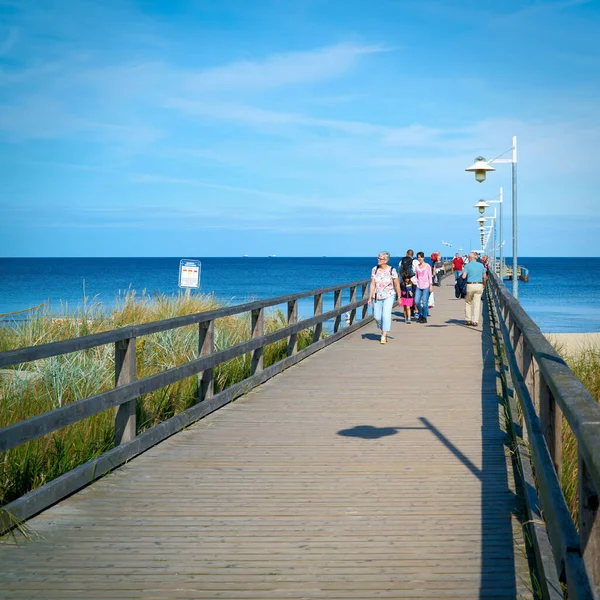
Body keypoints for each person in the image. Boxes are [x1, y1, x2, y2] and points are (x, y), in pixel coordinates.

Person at [368, 251, 401, 343]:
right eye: (378, 258)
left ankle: (384, 335)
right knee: (377, 317)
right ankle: (382, 328)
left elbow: (397, 284)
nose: (378, 260)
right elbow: (372, 284)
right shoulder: (375, 269)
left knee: (386, 315)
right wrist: (370, 297)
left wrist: (399, 297)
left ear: (386, 260)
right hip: (377, 295)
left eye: (380, 258)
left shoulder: (392, 270)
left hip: (389, 295)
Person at [461, 251, 487, 327]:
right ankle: (475, 321)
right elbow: (484, 277)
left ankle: (468, 319)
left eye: (468, 257)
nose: (468, 259)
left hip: (470, 285)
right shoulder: (481, 265)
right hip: (479, 285)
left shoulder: (467, 266)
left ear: (470, 258)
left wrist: (464, 272)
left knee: (468, 302)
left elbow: (463, 277)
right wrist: (483, 285)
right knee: (477, 303)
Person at [414, 252, 433, 324]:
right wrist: (415, 282)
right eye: (418, 257)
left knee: (425, 302)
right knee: (417, 301)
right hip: (419, 286)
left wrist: (430, 285)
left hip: (426, 286)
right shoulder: (417, 267)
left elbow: (430, 276)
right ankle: (420, 314)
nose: (420, 258)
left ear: (423, 257)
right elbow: (416, 276)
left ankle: (424, 317)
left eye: (421, 257)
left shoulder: (427, 266)